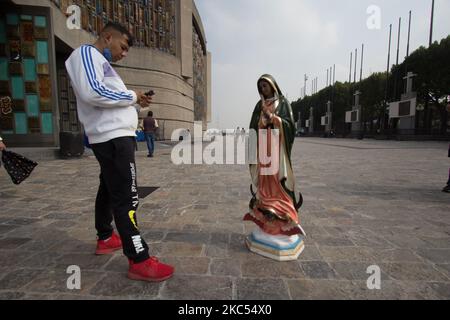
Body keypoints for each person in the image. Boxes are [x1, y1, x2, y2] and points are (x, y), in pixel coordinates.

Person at [65, 22, 174, 282]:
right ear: (107, 36)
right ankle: (139, 259)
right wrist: (132, 97)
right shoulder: (86, 54)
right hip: (112, 138)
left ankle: (105, 236)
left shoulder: (102, 64)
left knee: (108, 188)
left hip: (114, 136)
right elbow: (93, 92)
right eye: (123, 47)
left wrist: (134, 102)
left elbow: (107, 99)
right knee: (127, 196)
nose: (124, 53)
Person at [244, 74, 306, 237]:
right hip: (264, 146)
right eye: (261, 87)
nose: (263, 89)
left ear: (273, 85)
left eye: (265, 85)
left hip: (277, 146)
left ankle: (281, 206)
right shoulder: (259, 105)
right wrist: (261, 123)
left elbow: (289, 125)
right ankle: (265, 202)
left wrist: (274, 119)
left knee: (277, 176)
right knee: (265, 176)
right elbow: (253, 127)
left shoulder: (283, 102)